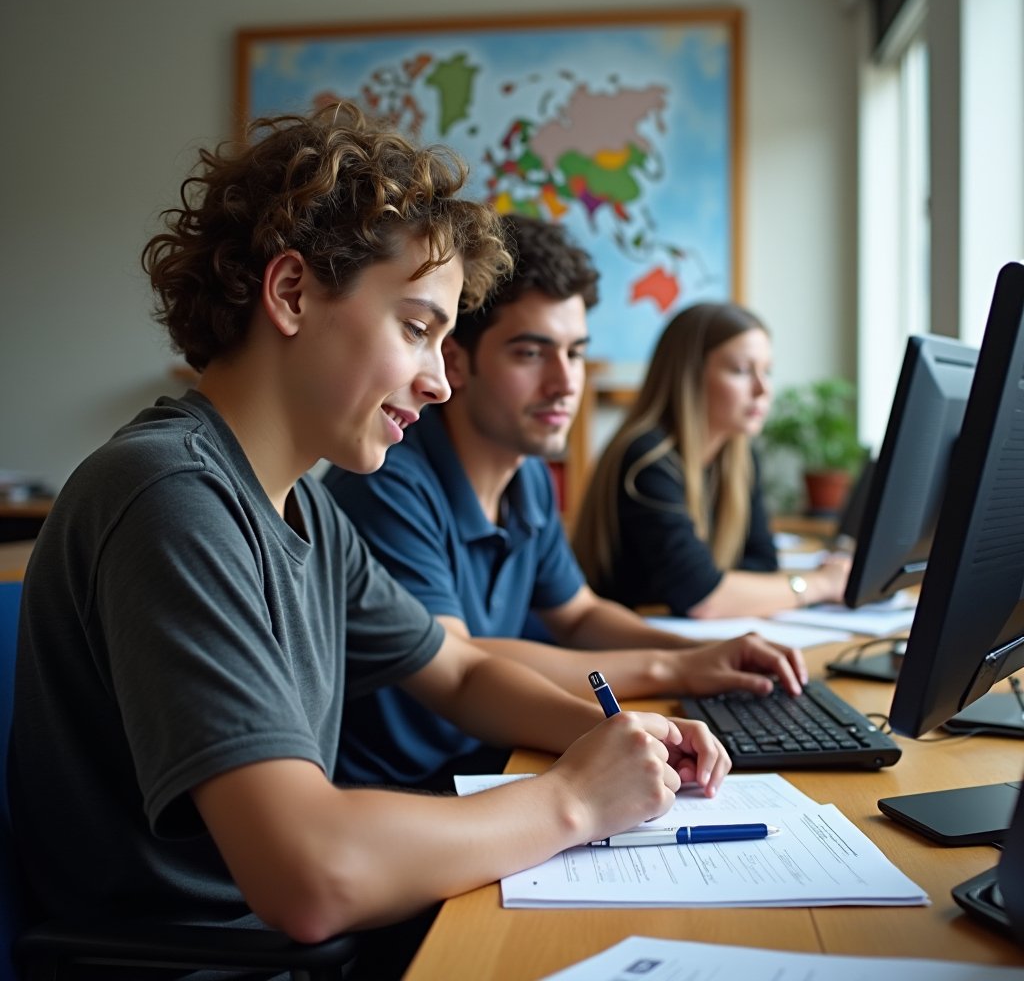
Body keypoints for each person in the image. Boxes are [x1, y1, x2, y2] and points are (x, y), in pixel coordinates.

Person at [8, 104, 731, 976]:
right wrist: (574, 799)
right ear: (290, 293)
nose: (437, 380)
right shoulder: (172, 497)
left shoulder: (304, 509)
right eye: (418, 328)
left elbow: (458, 672)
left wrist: (617, 740)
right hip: (207, 960)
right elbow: (310, 875)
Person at [325, 215, 807, 793]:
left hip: (499, 757)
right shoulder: (389, 479)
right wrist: (675, 666)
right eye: (531, 354)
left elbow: (578, 614)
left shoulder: (526, 475)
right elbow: (461, 659)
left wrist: (704, 653)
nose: (564, 384)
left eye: (575, 354)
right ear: (457, 362)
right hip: (408, 790)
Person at [574, 301, 851, 619]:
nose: (762, 389)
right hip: (625, 649)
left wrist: (731, 588)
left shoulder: (739, 458)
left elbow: (762, 565)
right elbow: (700, 596)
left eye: (767, 371)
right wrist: (819, 584)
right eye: (741, 371)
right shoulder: (646, 459)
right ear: (689, 376)